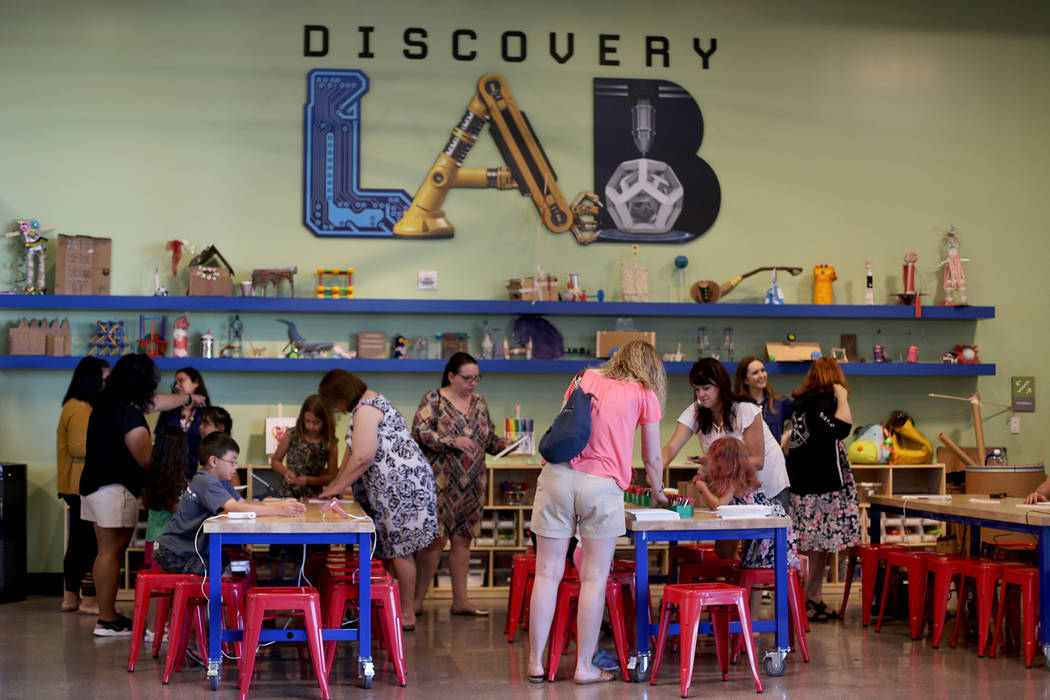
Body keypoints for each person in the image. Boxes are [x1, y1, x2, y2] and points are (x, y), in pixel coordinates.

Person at [527, 340, 667, 685]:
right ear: (650, 368)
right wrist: (658, 491)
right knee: (593, 578)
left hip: (557, 475)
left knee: (546, 573)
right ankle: (584, 667)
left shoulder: (583, 377)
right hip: (601, 487)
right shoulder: (644, 394)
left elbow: (566, 425)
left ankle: (534, 663)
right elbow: (651, 457)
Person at [79, 353, 206, 636]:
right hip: (113, 487)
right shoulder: (129, 413)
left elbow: (157, 402)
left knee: (104, 551)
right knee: (112, 551)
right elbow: (147, 459)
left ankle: (106, 615)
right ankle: (108, 618)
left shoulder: (110, 399)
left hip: (93, 485)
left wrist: (187, 399)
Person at [317, 369, 439, 631]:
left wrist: (337, 487)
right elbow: (350, 455)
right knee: (391, 550)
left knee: (401, 551)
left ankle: (406, 614)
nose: (335, 409)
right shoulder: (364, 407)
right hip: (395, 486)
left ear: (340, 396)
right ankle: (393, 607)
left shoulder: (367, 408)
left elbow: (363, 456)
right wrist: (334, 486)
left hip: (403, 487)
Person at [411, 352, 508, 617]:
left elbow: (488, 440)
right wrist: (451, 440)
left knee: (463, 541)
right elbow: (420, 432)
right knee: (434, 542)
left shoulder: (479, 403)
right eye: (467, 378)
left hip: (472, 484)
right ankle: (416, 601)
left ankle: (461, 600)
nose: (473, 383)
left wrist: (504, 445)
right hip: (439, 484)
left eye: (477, 378)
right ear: (451, 376)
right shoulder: (434, 399)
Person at [153, 433, 305, 575]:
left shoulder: (221, 482)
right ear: (213, 461)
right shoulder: (206, 481)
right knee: (220, 567)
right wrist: (279, 509)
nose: (236, 466)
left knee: (224, 560)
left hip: (183, 550)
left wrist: (280, 505)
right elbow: (236, 508)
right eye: (232, 461)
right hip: (173, 553)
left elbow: (243, 503)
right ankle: (217, 603)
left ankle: (225, 599)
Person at [785, 357, 861, 622]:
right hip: (821, 486)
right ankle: (804, 599)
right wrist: (843, 398)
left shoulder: (801, 405)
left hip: (802, 484)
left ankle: (812, 597)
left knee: (816, 545)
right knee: (816, 546)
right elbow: (842, 429)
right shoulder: (823, 403)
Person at [662, 358, 791, 513]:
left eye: (706, 388)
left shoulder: (745, 409)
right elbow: (671, 448)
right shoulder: (696, 411)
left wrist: (714, 465)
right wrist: (655, 472)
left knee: (766, 534)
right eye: (697, 389)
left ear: (721, 386)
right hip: (735, 488)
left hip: (768, 486)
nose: (701, 395)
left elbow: (757, 461)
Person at [691, 437, 803, 610]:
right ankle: (750, 616)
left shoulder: (732, 479)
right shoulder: (738, 476)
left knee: (753, 567)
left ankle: (752, 619)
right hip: (769, 528)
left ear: (723, 462)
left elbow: (719, 505)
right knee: (750, 565)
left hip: (770, 530)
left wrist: (702, 489)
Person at [56, 356, 109, 615]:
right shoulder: (80, 408)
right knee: (89, 543)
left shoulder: (75, 405)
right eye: (104, 379)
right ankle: (87, 599)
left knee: (79, 541)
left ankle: (71, 597)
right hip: (81, 485)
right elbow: (79, 447)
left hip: (77, 484)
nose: (107, 384)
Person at [270, 395, 338, 499]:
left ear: (325, 421)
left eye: (316, 422)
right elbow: (275, 461)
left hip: (313, 496)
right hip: (288, 493)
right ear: (302, 418)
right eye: (307, 421)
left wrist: (309, 480)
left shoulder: (330, 442)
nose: (311, 426)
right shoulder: (291, 435)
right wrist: (285, 472)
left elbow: (331, 476)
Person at [141, 426, 188, 570]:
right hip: (166, 544)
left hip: (152, 539)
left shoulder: (154, 476)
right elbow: (177, 508)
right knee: (168, 586)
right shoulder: (174, 480)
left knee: (160, 585)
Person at [155, 367, 211, 479]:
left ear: (196, 383)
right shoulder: (167, 412)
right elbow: (158, 442)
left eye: (181, 381)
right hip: (167, 475)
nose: (176, 386)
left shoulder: (207, 414)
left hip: (198, 475)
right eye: (175, 383)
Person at [734, 356, 793, 450]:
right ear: (745, 380)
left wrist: (787, 434)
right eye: (755, 373)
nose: (762, 375)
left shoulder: (780, 401)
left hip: (776, 461)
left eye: (763, 370)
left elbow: (800, 417)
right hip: (748, 461)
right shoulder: (737, 406)